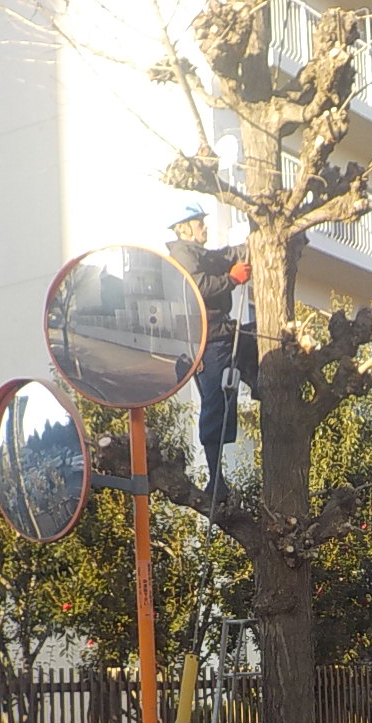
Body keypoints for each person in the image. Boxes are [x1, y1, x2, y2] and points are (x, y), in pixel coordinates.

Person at [165, 203, 257, 501]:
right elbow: (199, 286)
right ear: (183, 227)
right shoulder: (182, 254)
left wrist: (249, 247)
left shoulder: (198, 254)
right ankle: (215, 481)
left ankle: (263, 388)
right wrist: (232, 279)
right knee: (215, 405)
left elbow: (220, 258)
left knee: (255, 342)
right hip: (205, 343)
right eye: (198, 222)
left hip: (221, 334)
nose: (204, 226)